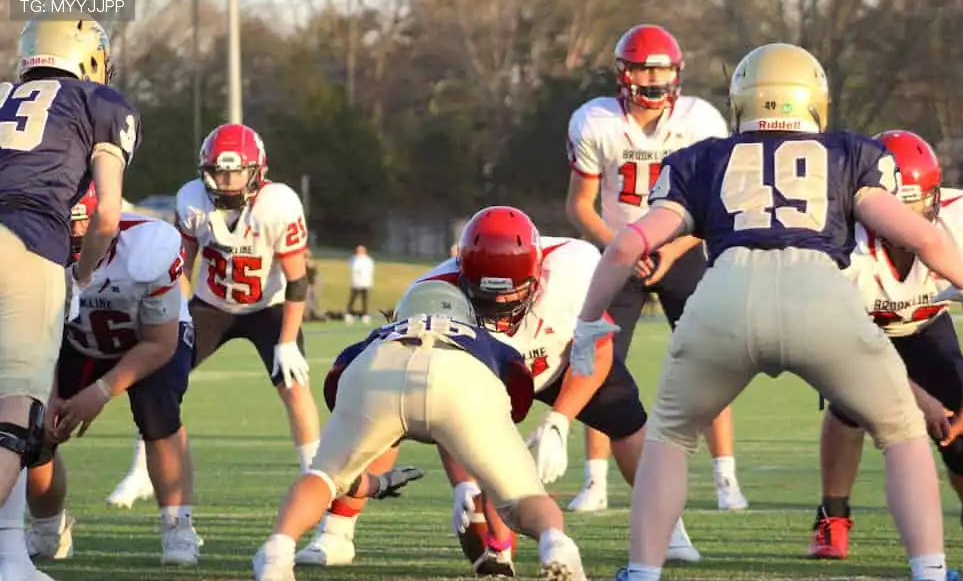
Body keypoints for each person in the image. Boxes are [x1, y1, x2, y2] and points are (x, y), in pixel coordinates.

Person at [568, 43, 963, 581]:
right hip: (818, 295)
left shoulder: (704, 158)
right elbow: (916, 232)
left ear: (743, 102)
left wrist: (588, 321)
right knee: (904, 432)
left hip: (725, 295)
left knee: (670, 437)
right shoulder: (848, 153)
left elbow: (627, 246)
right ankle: (931, 570)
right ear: (813, 101)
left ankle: (642, 571)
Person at [296, 207, 701, 575]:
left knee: (628, 422)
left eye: (511, 297)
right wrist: (464, 485)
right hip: (480, 374)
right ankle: (337, 530)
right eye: (488, 300)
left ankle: (669, 526)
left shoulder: (574, 268)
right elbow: (437, 396)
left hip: (559, 358)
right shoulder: (431, 295)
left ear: (536, 272)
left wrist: (558, 422)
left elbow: (598, 346)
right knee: (389, 409)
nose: (500, 311)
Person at [254, 281, 588, 581]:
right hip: (461, 377)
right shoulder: (481, 338)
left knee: (324, 479)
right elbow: (516, 391)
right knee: (524, 497)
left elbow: (337, 381)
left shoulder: (379, 334)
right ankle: (556, 544)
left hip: (376, 371)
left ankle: (277, 552)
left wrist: (367, 468)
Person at [807, 130, 963, 560]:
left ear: (936, 197)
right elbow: (845, 352)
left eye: (914, 208)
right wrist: (922, 404)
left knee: (960, 424)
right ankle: (832, 516)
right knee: (849, 405)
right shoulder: (833, 238)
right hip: (855, 335)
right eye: (893, 209)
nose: (905, 225)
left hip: (925, 324)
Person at [564, 23, 746, 513]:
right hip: (618, 253)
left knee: (710, 359)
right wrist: (622, 246)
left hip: (680, 249)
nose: (654, 78)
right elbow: (580, 206)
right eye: (645, 68)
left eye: (662, 69)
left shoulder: (700, 120)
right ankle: (596, 481)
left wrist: (669, 248)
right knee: (597, 363)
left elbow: (717, 205)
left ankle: (726, 479)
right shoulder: (595, 121)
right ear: (623, 73)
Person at [106, 123, 320, 508]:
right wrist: (174, 317)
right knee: (158, 376)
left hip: (268, 307)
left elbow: (297, 282)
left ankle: (316, 476)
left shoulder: (278, 205)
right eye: (217, 172)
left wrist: (287, 340)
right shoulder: (192, 199)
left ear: (256, 171)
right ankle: (142, 472)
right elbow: (181, 267)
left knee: (293, 386)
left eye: (233, 172)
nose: (224, 182)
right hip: (211, 304)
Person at [0, 14, 138, 580]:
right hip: (29, 245)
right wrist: (78, 276)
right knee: (14, 417)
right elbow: (106, 214)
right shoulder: (98, 100)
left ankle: (9, 558)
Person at [29, 188, 201, 565]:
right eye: (66, 230)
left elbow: (159, 344)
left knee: (159, 414)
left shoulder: (147, 247)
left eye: (83, 231)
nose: (75, 242)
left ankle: (178, 527)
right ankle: (48, 530)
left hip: (149, 335)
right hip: (71, 338)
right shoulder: (36, 246)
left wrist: (102, 391)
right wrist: (52, 392)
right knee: (35, 423)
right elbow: (39, 332)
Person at [345, 245, 374, 323]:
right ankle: (349, 314)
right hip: (356, 283)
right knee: (352, 299)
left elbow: (370, 271)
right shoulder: (353, 259)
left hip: (366, 283)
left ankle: (365, 315)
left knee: (365, 300)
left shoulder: (368, 260)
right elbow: (352, 268)